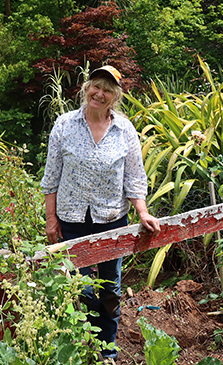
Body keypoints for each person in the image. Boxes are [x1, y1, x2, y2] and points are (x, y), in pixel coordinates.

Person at [40, 65, 160, 360]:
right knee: (80, 288)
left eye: (107, 89)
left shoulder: (125, 130)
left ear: (115, 96)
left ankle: (107, 350)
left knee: (110, 289)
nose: (100, 93)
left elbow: (134, 177)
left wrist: (142, 212)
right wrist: (50, 219)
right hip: (72, 219)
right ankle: (84, 342)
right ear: (86, 88)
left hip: (111, 221)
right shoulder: (65, 125)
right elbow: (51, 176)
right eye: (96, 86)